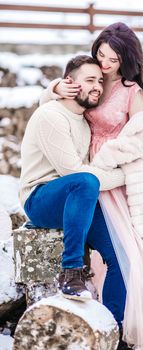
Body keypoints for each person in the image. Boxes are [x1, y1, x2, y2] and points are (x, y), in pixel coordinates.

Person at [40, 23, 143, 350]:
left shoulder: (131, 90)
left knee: (130, 247)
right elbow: (59, 94)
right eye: (101, 55)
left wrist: (105, 162)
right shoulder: (92, 79)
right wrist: (54, 88)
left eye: (112, 58)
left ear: (126, 58)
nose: (104, 63)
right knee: (101, 252)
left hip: (116, 174)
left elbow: (140, 137)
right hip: (87, 173)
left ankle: (139, 323)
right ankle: (102, 319)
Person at [19, 55, 127, 339]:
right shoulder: (50, 115)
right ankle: (71, 271)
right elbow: (75, 172)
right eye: (89, 80)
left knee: (120, 256)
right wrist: (125, 177)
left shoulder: (83, 120)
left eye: (100, 81)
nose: (97, 87)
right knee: (85, 180)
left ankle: (113, 331)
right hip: (40, 198)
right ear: (68, 83)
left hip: (78, 198)